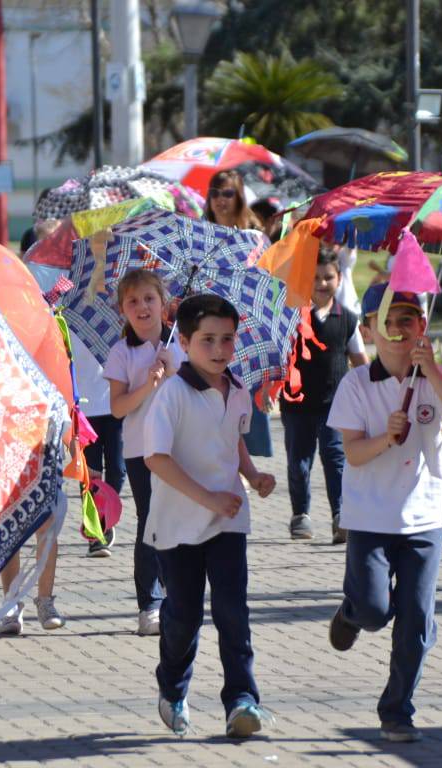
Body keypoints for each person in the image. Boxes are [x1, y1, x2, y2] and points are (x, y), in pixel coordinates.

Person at [326, 284, 442, 743]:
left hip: (424, 519)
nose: (396, 330)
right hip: (370, 518)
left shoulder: (434, 375)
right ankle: (352, 612)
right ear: (368, 330)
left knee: (414, 621)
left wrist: (433, 371)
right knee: (375, 611)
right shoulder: (355, 384)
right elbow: (352, 454)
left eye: (406, 321)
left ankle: (397, 710)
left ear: (421, 327)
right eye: (386, 322)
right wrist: (385, 438)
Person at [143, 294, 276, 738]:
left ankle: (242, 700)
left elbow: (232, 438)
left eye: (227, 339)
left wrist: (252, 475)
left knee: (232, 611)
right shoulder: (172, 394)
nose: (220, 349)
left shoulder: (237, 390)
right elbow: (156, 458)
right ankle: (172, 688)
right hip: (177, 525)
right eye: (207, 340)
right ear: (183, 342)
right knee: (183, 617)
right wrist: (207, 498)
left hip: (228, 521)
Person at [104, 269, 184, 636]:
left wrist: (174, 369)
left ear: (163, 303)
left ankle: (177, 593)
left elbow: (198, 390)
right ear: (122, 309)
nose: (142, 307)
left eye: (149, 299)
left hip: (180, 446)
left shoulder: (180, 344)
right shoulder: (121, 352)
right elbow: (118, 408)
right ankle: (149, 603)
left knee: (178, 520)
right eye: (133, 301)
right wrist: (148, 384)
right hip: (141, 450)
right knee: (150, 520)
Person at [281, 249, 367, 543]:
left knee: (335, 460)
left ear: (339, 278)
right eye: (315, 277)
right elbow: (280, 357)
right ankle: (300, 515)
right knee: (299, 462)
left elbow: (360, 361)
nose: (321, 283)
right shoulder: (292, 317)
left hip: (335, 406)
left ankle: (340, 516)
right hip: (297, 405)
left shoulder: (348, 320)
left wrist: (374, 391)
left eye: (328, 277)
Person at [203, 170, 272, 458]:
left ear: (240, 197)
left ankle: (243, 467)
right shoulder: (202, 235)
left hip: (246, 330)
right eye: (215, 193)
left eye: (228, 193)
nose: (220, 200)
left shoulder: (254, 238)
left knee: (243, 404)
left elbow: (267, 288)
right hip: (209, 328)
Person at [76, 330, 125, 558]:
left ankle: (106, 514)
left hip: (116, 403)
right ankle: (96, 531)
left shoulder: (118, 318)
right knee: (90, 474)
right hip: (85, 407)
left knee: (118, 469)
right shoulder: (65, 315)